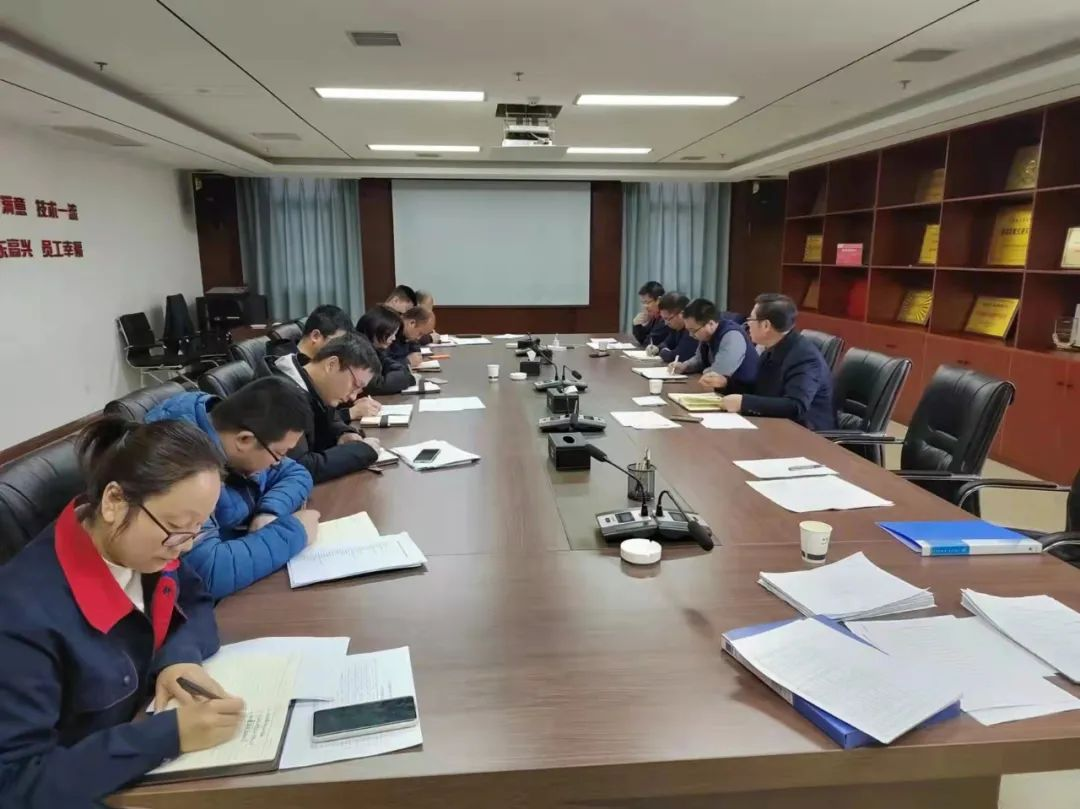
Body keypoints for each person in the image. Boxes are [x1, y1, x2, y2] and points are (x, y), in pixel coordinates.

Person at [0, 418, 245, 807]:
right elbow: (15, 783)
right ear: (114, 501)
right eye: (177, 527)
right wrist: (168, 736)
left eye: (198, 528)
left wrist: (177, 659)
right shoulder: (22, 615)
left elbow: (195, 601)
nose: (184, 547)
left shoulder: (148, 549)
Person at [145, 377, 318, 600]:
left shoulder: (230, 433)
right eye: (280, 454)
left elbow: (296, 473)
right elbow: (207, 573)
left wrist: (269, 511)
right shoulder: (179, 464)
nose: (277, 463)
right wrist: (295, 532)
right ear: (244, 440)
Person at [271, 333, 384, 484]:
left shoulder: (308, 380)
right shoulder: (282, 395)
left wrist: (342, 433)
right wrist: (362, 451)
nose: (353, 397)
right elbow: (299, 467)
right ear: (332, 364)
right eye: (355, 385)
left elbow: (328, 416)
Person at [720, 293, 837, 431]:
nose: (747, 324)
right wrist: (726, 384)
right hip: (778, 427)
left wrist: (744, 403)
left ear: (766, 325)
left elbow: (795, 406)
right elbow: (759, 389)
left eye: (751, 319)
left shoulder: (804, 357)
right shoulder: (772, 348)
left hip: (808, 434)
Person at [674, 298, 759, 393]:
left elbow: (718, 373)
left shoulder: (731, 335)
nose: (691, 335)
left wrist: (705, 372)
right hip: (723, 392)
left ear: (711, 324)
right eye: (688, 330)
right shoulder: (706, 335)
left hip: (743, 394)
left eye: (693, 330)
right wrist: (685, 366)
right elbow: (699, 359)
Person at [356, 306, 416, 396]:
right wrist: (406, 379)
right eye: (391, 334)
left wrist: (402, 374)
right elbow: (376, 385)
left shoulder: (375, 348)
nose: (394, 338)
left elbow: (388, 363)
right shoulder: (357, 350)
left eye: (395, 334)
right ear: (375, 329)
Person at [266, 304, 353, 361]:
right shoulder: (281, 364)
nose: (340, 350)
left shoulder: (315, 363)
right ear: (315, 336)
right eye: (337, 343)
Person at [649, 292, 698, 363]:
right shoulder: (676, 328)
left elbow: (678, 356)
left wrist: (663, 352)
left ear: (682, 314)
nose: (666, 323)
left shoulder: (693, 329)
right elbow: (667, 343)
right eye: (664, 319)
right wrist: (657, 348)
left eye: (668, 319)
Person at [631, 281, 670, 347]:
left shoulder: (666, 319)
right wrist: (637, 324)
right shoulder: (655, 316)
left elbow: (649, 342)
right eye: (643, 303)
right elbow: (642, 339)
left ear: (659, 300)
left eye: (647, 302)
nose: (645, 306)